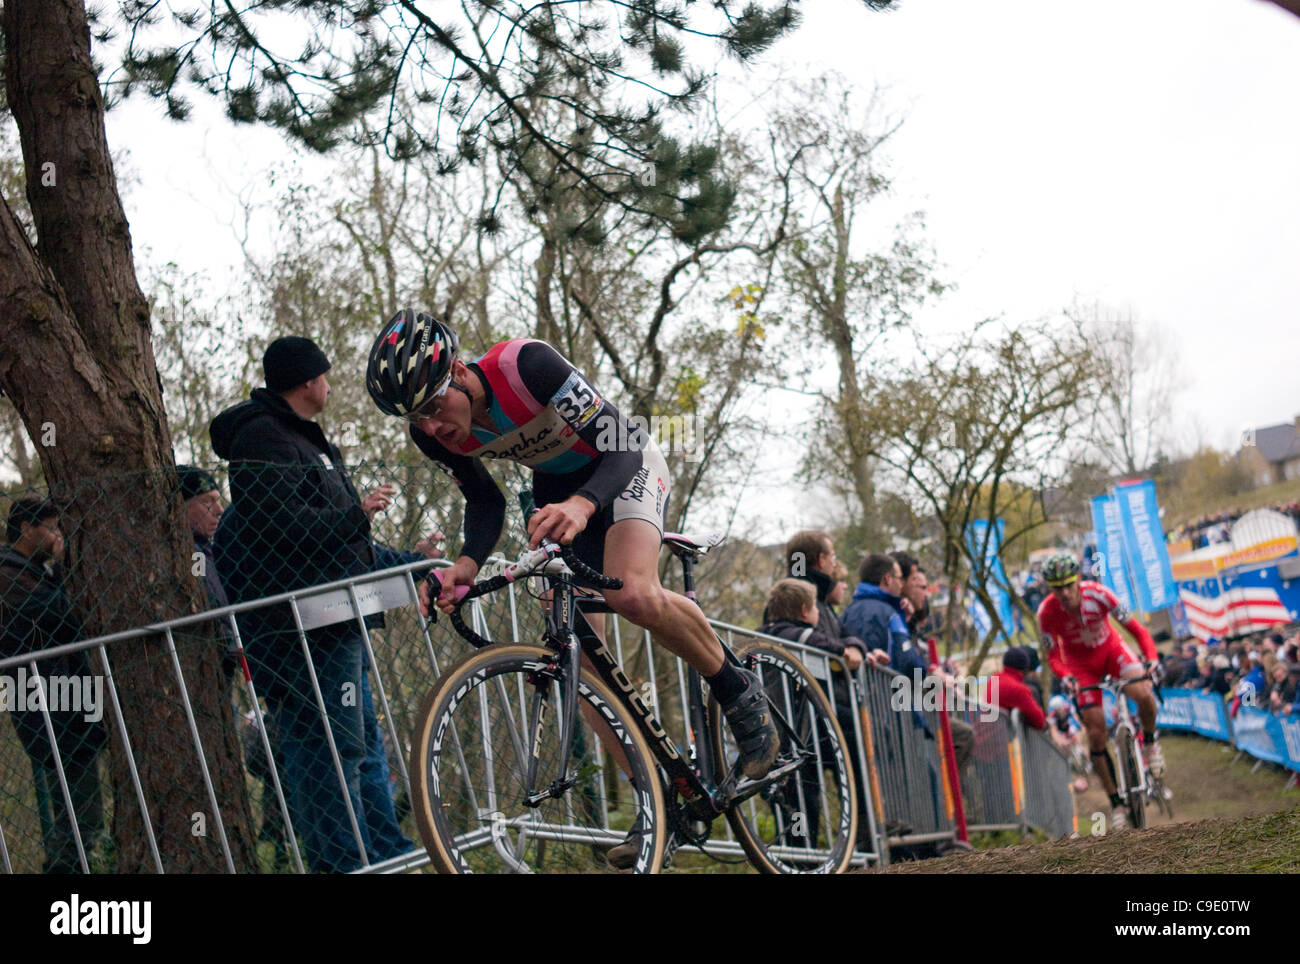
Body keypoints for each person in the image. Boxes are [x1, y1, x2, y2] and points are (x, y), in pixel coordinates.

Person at [365, 309, 779, 867]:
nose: (434, 427)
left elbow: (625, 441)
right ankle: (661, 799)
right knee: (577, 664)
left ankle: (738, 690)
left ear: (460, 373)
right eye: (417, 418)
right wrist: (464, 566)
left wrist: (585, 504)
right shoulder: (432, 435)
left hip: (623, 468)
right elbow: (484, 501)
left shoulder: (527, 366)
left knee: (631, 593)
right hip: (556, 492)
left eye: (436, 406)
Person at [210, 336, 413, 873]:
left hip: (339, 617)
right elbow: (281, 528)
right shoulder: (262, 440)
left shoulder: (309, 440)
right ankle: (342, 862)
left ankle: (384, 851)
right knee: (327, 748)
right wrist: (358, 514)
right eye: (324, 374)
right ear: (304, 380)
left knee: (361, 739)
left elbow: (345, 543)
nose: (329, 384)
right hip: (302, 628)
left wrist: (411, 560)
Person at [0, 498, 107, 873]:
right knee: (77, 804)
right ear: (26, 528)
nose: (58, 536)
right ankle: (68, 868)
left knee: (79, 797)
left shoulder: (29, 570)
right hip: (44, 699)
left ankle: (75, 860)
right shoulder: (9, 575)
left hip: (65, 695)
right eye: (51, 528)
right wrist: (64, 569)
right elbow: (62, 615)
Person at [1036, 552, 1162, 832]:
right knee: (1095, 734)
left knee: (1142, 692)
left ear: (1078, 579)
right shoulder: (1045, 613)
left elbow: (1137, 630)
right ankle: (1117, 802)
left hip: (1112, 651)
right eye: (1058, 589)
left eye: (1069, 585)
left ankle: (1151, 743)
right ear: (1050, 588)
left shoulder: (1101, 594)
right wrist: (1065, 675)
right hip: (1081, 667)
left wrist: (1151, 657)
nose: (1065, 593)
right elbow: (1053, 656)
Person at [176, 466, 240, 685]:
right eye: (206, 502)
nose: (219, 509)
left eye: (218, 500)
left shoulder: (208, 550)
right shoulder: (192, 554)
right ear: (181, 505)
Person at [984, 647, 1046, 729]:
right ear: (1025, 668)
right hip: (1001, 737)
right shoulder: (1018, 689)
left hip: (987, 732)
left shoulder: (994, 678)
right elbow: (1040, 722)